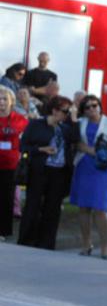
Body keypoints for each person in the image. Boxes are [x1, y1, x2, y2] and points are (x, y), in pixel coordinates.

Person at [18, 95, 75, 250]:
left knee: (53, 208)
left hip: (59, 173)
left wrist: (74, 119)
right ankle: (26, 240)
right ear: (55, 110)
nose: (66, 115)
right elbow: (23, 146)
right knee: (33, 205)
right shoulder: (36, 124)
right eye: (65, 111)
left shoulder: (66, 129)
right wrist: (40, 149)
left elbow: (76, 139)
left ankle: (47, 243)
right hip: (39, 170)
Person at [70, 95, 107, 259]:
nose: (92, 109)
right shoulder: (81, 123)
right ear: (83, 110)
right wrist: (88, 149)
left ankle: (105, 247)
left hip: (103, 167)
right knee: (83, 208)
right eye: (88, 107)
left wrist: (99, 150)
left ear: (100, 106)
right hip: (84, 166)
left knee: (100, 209)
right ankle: (86, 244)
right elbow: (77, 143)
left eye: (95, 105)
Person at [0, 86, 28, 241]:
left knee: (6, 198)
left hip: (10, 164)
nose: (1, 102)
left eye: (4, 99)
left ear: (11, 102)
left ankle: (3, 231)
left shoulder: (19, 120)